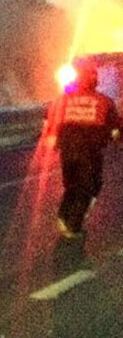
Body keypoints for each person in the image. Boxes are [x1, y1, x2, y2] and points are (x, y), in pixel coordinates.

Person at [45, 58, 121, 239]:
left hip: (67, 151)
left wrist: (54, 141)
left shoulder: (62, 100)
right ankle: (73, 226)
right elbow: (116, 128)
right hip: (90, 152)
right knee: (90, 187)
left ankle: (64, 216)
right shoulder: (104, 102)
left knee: (71, 185)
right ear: (94, 79)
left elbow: (50, 123)